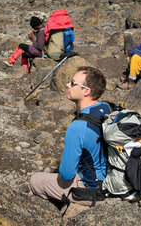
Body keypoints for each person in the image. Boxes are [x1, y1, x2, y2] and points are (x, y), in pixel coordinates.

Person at [29, 66, 111, 207]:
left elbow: (66, 174)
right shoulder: (107, 108)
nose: (68, 85)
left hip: (95, 188)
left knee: (36, 181)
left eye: (73, 83)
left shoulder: (78, 128)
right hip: (114, 178)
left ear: (86, 91)